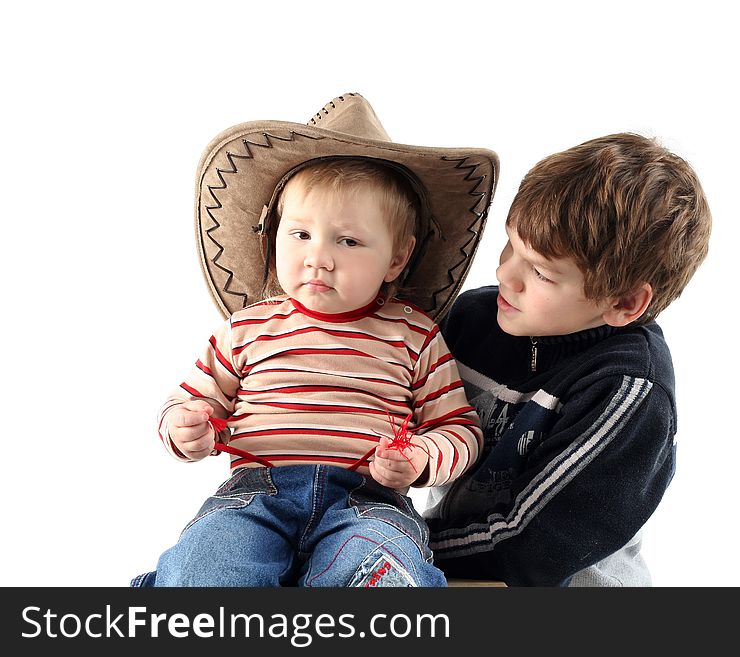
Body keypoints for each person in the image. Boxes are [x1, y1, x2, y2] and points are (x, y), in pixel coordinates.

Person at [132, 93, 498, 587]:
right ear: (273, 235)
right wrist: (184, 428)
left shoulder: (414, 336)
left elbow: (460, 429)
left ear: (397, 258)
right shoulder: (246, 329)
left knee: (377, 573)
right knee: (206, 567)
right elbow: (190, 401)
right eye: (300, 234)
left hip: (367, 503)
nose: (318, 258)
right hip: (254, 495)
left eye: (347, 241)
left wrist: (421, 458)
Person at [423, 133, 711, 586]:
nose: (505, 274)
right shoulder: (471, 318)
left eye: (540, 272)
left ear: (624, 302)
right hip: (453, 570)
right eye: (510, 246)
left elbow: (527, 543)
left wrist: (392, 544)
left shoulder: (628, 388)